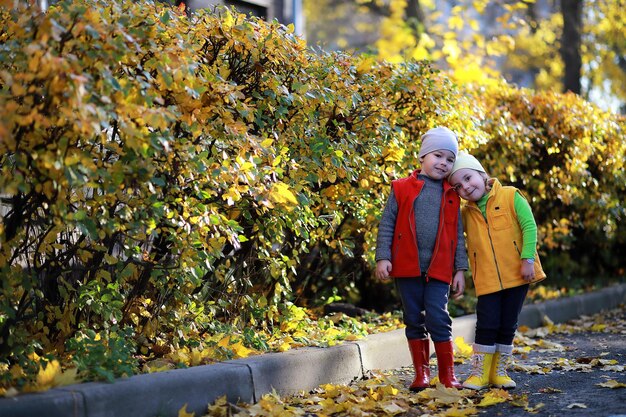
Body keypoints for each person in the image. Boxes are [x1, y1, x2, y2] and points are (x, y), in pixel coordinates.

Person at [375, 127, 469, 391]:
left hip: (440, 268)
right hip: (407, 267)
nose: (443, 163)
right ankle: (421, 374)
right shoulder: (402, 188)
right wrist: (383, 257)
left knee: (438, 317)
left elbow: (457, 235)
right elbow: (387, 224)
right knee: (414, 318)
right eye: (438, 156)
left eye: (450, 159)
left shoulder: (452, 194)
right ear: (423, 156)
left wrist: (460, 269)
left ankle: (448, 375)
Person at [447, 152, 546, 390]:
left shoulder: (510, 195)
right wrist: (458, 271)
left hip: (518, 273)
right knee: (487, 323)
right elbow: (458, 244)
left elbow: (529, 227)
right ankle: (480, 373)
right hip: (487, 278)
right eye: (458, 186)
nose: (466, 187)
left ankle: (499, 372)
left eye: (469, 178)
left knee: (507, 324)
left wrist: (527, 259)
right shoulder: (465, 213)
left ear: (482, 175)